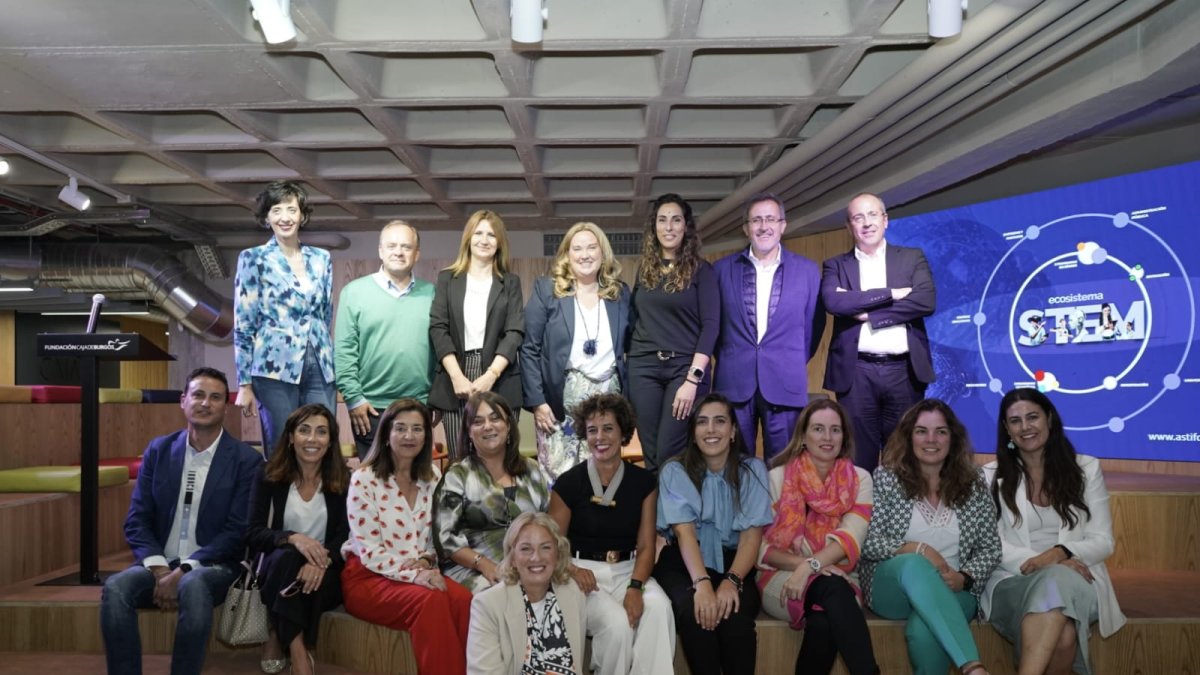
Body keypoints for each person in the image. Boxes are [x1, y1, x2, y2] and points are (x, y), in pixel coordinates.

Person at [100, 367, 263, 675]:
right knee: (117, 588)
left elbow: (237, 531)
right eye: (198, 395)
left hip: (212, 567)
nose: (205, 403)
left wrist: (183, 570)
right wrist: (161, 568)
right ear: (183, 401)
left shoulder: (246, 460)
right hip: (159, 563)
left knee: (194, 585)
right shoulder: (159, 450)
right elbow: (137, 520)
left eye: (215, 397)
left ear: (225, 407)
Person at [983, 388, 1126, 675]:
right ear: (1006, 429)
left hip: (1078, 577)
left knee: (1058, 583)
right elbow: (991, 543)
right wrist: (1046, 563)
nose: (1025, 427)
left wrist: (1058, 555)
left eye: (1033, 417)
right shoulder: (989, 475)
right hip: (1013, 578)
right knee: (1063, 635)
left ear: (1049, 418)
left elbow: (1103, 541)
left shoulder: (1086, 468)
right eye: (1015, 421)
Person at [860, 399, 1000, 675]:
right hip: (892, 587)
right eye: (921, 431)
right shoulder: (886, 478)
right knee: (914, 563)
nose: (931, 439)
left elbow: (990, 548)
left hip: (955, 588)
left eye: (941, 432)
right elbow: (870, 542)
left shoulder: (974, 481)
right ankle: (973, 667)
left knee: (923, 631)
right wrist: (919, 549)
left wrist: (966, 577)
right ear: (909, 437)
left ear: (953, 438)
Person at [341, 398, 473, 675]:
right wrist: (416, 576)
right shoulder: (363, 479)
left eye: (417, 429)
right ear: (387, 434)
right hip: (369, 576)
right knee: (432, 601)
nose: (409, 436)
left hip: (419, 570)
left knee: (463, 600)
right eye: (400, 428)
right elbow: (369, 551)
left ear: (427, 435)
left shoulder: (433, 475)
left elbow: (437, 535)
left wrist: (426, 560)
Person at [548, 393, 675, 675]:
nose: (600, 437)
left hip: (629, 570)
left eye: (608, 428)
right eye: (592, 430)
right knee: (617, 625)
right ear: (584, 434)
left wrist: (635, 587)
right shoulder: (568, 483)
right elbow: (551, 545)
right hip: (580, 574)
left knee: (660, 609)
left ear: (623, 432)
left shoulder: (644, 482)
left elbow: (645, 546)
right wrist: (570, 568)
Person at [654, 393, 773, 675]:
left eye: (720, 422)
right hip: (685, 563)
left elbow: (751, 537)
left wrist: (731, 581)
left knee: (735, 618)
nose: (711, 430)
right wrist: (702, 584)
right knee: (695, 614)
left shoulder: (752, 470)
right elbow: (684, 533)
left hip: (736, 564)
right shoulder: (674, 470)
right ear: (693, 433)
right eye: (702, 422)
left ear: (732, 431)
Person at [758, 399, 879, 675]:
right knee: (834, 590)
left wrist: (809, 565)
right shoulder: (776, 478)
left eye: (835, 430)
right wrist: (806, 566)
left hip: (842, 575)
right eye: (818, 429)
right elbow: (760, 549)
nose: (827, 437)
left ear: (844, 437)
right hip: (779, 576)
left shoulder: (860, 479)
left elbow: (851, 537)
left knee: (825, 619)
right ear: (803, 435)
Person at [821, 192, 936, 471]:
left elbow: (925, 300)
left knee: (904, 459)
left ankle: (899, 516)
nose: (867, 223)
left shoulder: (911, 258)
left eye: (873, 215)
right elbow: (834, 302)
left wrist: (871, 316)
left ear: (885, 220)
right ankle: (862, 515)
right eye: (858, 217)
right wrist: (892, 294)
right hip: (856, 373)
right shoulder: (836, 265)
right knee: (858, 460)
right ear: (849, 227)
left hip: (903, 373)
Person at [714, 192, 825, 460]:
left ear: (783, 225)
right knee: (736, 468)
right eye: (756, 220)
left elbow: (812, 328)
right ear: (746, 228)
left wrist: (788, 358)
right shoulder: (720, 270)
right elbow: (715, 329)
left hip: (785, 383)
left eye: (770, 219)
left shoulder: (808, 272)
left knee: (785, 470)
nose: (764, 226)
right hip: (735, 383)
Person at [522, 221, 632, 479]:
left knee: (604, 476)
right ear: (567, 255)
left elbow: (633, 346)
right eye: (578, 248)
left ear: (602, 253)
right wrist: (537, 402)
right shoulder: (547, 291)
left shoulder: (620, 293)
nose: (585, 254)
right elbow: (529, 349)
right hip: (558, 407)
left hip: (608, 405)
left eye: (592, 247)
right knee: (560, 480)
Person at [234, 180, 336, 456]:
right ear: (266, 217)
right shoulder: (253, 258)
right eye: (276, 210)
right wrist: (244, 383)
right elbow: (244, 324)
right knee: (282, 445)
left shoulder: (321, 258)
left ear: (302, 214)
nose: (285, 217)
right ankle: (279, 499)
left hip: (319, 363)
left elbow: (325, 314)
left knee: (323, 439)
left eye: (291, 209)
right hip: (272, 367)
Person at [247, 403, 350, 675]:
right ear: (291, 437)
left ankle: (275, 631)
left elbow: (347, 536)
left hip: (323, 568)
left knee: (308, 581)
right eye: (304, 431)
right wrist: (293, 538)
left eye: (321, 432)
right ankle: (299, 652)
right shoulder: (268, 475)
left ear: (330, 441)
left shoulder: (344, 479)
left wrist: (322, 560)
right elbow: (254, 532)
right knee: (288, 560)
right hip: (275, 563)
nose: (312, 439)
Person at [628, 193, 720, 470]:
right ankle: (654, 514)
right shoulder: (645, 271)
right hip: (643, 368)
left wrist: (693, 380)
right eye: (662, 220)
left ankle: (677, 513)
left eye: (676, 220)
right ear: (654, 228)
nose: (669, 227)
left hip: (684, 369)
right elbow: (634, 320)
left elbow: (711, 326)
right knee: (652, 453)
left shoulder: (702, 271)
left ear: (686, 226)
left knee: (671, 452)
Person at [335, 220, 436, 460]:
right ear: (380, 251)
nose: (398, 252)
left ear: (417, 254)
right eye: (391, 245)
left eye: (406, 246)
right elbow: (343, 350)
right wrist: (354, 398)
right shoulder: (354, 292)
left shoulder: (433, 294)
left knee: (415, 486)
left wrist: (435, 401)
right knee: (373, 486)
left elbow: (442, 350)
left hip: (418, 407)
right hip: (368, 409)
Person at [430, 209, 525, 461]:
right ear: (468, 239)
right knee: (461, 460)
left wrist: (491, 375)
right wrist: (456, 376)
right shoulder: (447, 279)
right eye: (479, 233)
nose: (484, 240)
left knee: (502, 459)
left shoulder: (510, 282)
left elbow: (514, 331)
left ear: (499, 242)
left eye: (491, 235)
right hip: (455, 379)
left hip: (499, 375)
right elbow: (438, 328)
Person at [434, 391, 551, 593]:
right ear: (469, 432)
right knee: (503, 594)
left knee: (564, 589)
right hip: (473, 566)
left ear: (508, 426)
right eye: (478, 422)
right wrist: (482, 563)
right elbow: (446, 539)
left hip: (530, 561)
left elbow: (546, 522)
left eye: (495, 418)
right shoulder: (458, 475)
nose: (487, 426)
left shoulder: (531, 469)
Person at [466, 512, 587, 675]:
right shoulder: (487, 605)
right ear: (513, 557)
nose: (536, 557)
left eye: (545, 547)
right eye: (526, 549)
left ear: (557, 554)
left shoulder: (572, 592)